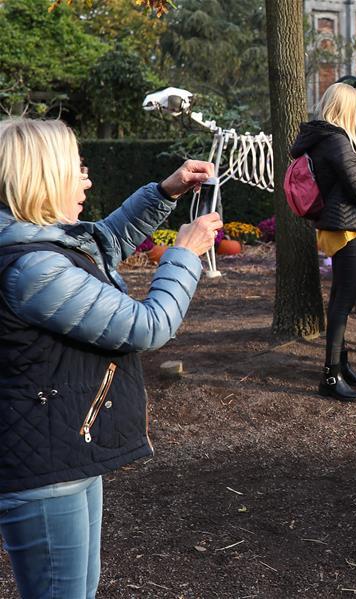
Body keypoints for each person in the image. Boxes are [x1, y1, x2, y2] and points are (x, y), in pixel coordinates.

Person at [0, 118, 222, 598]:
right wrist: (182, 255)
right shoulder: (34, 267)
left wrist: (166, 191)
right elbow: (148, 327)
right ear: (42, 177)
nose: (87, 179)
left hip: (65, 446)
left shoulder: (36, 241)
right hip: (45, 466)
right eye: (76, 168)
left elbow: (101, 243)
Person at [290, 82, 356, 402]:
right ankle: (331, 375)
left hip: (346, 225)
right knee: (342, 302)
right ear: (345, 107)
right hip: (346, 227)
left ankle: (342, 364)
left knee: (341, 299)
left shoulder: (328, 139)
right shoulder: (336, 141)